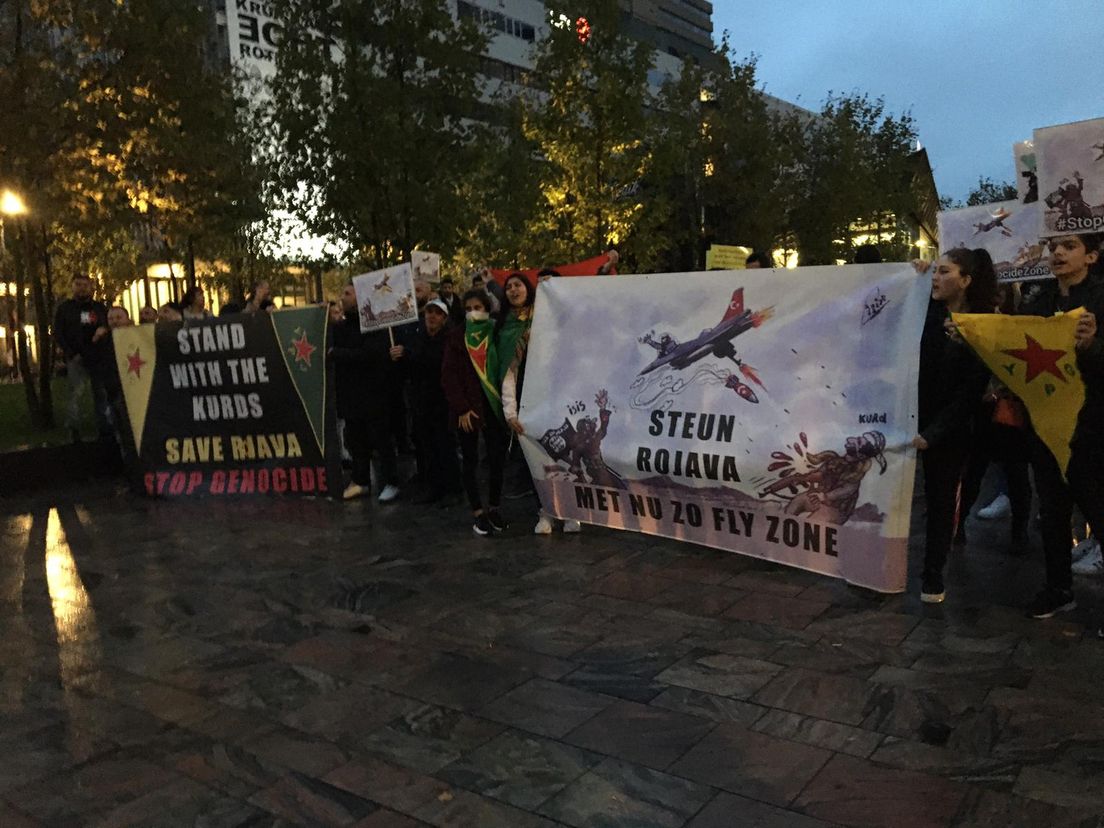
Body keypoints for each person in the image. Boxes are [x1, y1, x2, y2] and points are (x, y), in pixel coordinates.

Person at [1014, 234, 1104, 620]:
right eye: (1053, 248)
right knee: (1051, 512)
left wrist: (1094, 347)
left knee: (1098, 510)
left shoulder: (1101, 299)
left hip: (1091, 426)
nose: (1058, 254)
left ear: (1092, 255)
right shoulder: (1040, 302)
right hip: (1046, 427)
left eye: (1068, 246)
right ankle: (1058, 589)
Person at [912, 249, 997, 603]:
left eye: (943, 271)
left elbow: (969, 393)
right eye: (934, 270)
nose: (935, 277)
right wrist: (913, 277)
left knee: (941, 499)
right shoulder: (924, 313)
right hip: (910, 417)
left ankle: (933, 574)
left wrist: (933, 435)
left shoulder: (982, 326)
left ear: (965, 281)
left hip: (948, 431)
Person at [442, 289, 509, 535]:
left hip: (492, 404)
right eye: (468, 308)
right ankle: (478, 512)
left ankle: (494, 506)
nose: (473, 312)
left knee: (495, 459)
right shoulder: (456, 336)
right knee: (470, 460)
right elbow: (449, 376)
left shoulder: (494, 332)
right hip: (468, 409)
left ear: (487, 308)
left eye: (478, 307)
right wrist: (461, 408)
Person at [330, 283, 401, 503]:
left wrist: (337, 354)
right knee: (356, 440)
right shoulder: (342, 327)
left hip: (373, 394)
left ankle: (391, 481)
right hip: (351, 396)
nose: (343, 297)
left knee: (380, 441)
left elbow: (369, 355)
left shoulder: (374, 326)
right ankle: (360, 481)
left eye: (347, 293)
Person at [391, 299, 460, 503]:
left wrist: (409, 354)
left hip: (443, 402)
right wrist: (400, 357)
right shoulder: (419, 338)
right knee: (428, 446)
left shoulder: (450, 339)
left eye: (437, 313)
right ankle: (435, 487)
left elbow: (436, 363)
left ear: (445, 318)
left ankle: (453, 489)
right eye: (429, 312)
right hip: (422, 402)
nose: (432, 316)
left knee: (445, 446)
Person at [53, 274, 110, 443]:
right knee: (75, 394)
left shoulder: (99, 308)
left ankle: (105, 428)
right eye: (78, 284)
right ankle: (74, 430)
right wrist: (70, 353)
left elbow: (107, 326)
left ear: (91, 287)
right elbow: (58, 332)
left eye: (85, 285)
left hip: (98, 358)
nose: (82, 288)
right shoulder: (65, 309)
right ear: (72, 287)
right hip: (76, 357)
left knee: (102, 393)